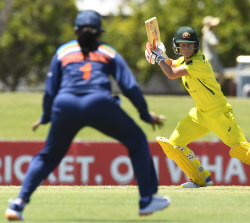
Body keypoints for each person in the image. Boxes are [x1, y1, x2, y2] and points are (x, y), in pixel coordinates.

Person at [5, 10, 170, 221]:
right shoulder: (108, 52)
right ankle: (147, 200)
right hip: (99, 104)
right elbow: (129, 87)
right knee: (137, 140)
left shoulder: (63, 51)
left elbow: (49, 91)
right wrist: (145, 115)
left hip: (65, 106)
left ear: (75, 31)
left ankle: (18, 204)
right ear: (100, 32)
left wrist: (47, 116)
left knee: (48, 156)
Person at [145, 26, 250, 189]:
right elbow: (171, 64)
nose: (186, 48)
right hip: (200, 114)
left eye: (189, 45)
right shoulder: (183, 61)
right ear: (177, 46)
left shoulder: (199, 62)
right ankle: (199, 179)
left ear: (196, 46)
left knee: (243, 150)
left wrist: (159, 58)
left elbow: (171, 73)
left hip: (219, 114)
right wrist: (160, 55)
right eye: (182, 45)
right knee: (174, 145)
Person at [201, 16, 224, 85]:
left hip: (209, 58)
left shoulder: (207, 33)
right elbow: (214, 43)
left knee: (219, 75)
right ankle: (213, 90)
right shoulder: (209, 34)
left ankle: (214, 89)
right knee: (218, 75)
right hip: (210, 58)